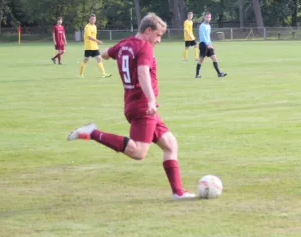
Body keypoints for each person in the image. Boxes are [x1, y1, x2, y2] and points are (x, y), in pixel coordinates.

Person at [68, 13, 195, 200]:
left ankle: (178, 192)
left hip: (132, 103)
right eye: (158, 35)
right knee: (138, 152)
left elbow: (105, 54)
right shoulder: (144, 47)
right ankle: (92, 132)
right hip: (143, 106)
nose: (159, 40)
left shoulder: (124, 44)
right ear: (148, 30)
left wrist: (117, 56)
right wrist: (151, 100)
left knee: (170, 144)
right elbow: (143, 73)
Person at [79, 14, 111, 78]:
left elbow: (93, 36)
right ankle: (80, 74)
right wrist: (97, 41)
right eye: (92, 19)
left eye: (94, 19)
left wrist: (96, 42)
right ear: (89, 19)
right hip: (88, 47)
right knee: (85, 60)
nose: (93, 20)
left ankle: (103, 74)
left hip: (95, 46)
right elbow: (89, 37)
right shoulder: (87, 27)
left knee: (99, 58)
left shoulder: (94, 26)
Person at [196, 12, 227, 78]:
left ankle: (219, 73)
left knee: (214, 58)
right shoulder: (202, 26)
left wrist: (210, 44)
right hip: (203, 44)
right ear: (204, 17)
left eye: (209, 17)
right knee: (201, 59)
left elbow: (208, 36)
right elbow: (203, 36)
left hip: (208, 44)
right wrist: (207, 44)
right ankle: (197, 74)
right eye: (207, 17)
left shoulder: (209, 26)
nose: (208, 18)